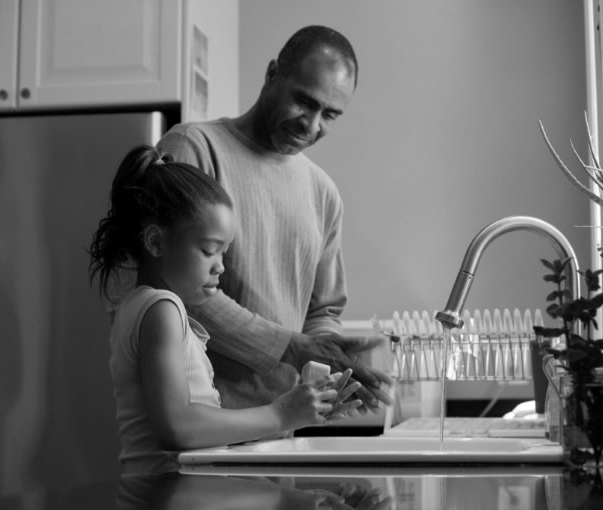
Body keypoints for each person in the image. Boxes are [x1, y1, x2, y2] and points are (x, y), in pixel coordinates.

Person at [157, 25, 392, 411]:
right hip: (198, 418)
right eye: (304, 101)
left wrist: (327, 363)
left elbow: (323, 310)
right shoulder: (193, 149)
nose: (312, 125)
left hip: (281, 424)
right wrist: (290, 346)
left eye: (330, 115)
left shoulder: (323, 192)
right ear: (272, 76)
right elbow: (174, 285)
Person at [88, 145, 361, 474]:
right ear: (156, 243)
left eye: (224, 252)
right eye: (209, 251)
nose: (221, 267)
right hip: (169, 493)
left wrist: (299, 412)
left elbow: (194, 427)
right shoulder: (163, 309)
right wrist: (280, 414)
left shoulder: (139, 306)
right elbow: (176, 427)